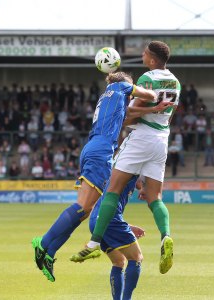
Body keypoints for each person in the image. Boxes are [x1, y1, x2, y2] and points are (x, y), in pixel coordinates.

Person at [31, 71, 169, 282]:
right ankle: (44, 242)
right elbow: (146, 95)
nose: (131, 97)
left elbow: (127, 117)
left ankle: (49, 252)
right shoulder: (118, 87)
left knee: (85, 210)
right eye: (130, 92)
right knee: (86, 205)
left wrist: (151, 110)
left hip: (94, 148)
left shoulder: (108, 99)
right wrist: (154, 96)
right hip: (102, 152)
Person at [73, 41, 180, 275]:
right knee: (155, 197)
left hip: (141, 136)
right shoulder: (175, 82)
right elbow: (168, 116)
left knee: (112, 189)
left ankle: (93, 243)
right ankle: (166, 236)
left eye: (144, 53)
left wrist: (131, 115)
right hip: (162, 140)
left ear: (152, 60)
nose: (141, 56)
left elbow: (129, 112)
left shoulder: (146, 79)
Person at [71, 175, 145, 300]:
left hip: (96, 221)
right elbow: (141, 183)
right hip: (111, 220)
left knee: (119, 262)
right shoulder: (131, 169)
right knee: (136, 258)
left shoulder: (118, 172)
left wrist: (128, 226)